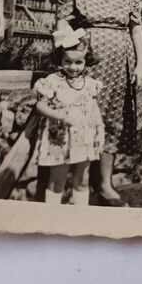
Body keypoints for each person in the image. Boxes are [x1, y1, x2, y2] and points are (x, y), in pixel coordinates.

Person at [55, 0, 142, 207]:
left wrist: (141, 64)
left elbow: (137, 29)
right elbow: (62, 23)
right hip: (85, 63)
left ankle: (105, 184)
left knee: (113, 119)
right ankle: (77, 183)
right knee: (82, 115)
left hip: (121, 63)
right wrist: (71, 51)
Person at [33, 25, 104, 206]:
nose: (73, 67)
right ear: (60, 60)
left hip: (85, 137)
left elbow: (94, 109)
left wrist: (100, 129)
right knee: (58, 180)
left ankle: (80, 216)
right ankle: (52, 217)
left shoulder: (90, 84)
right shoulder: (52, 82)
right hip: (60, 138)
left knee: (82, 179)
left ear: (86, 61)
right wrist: (58, 115)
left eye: (78, 62)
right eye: (68, 62)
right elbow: (40, 105)